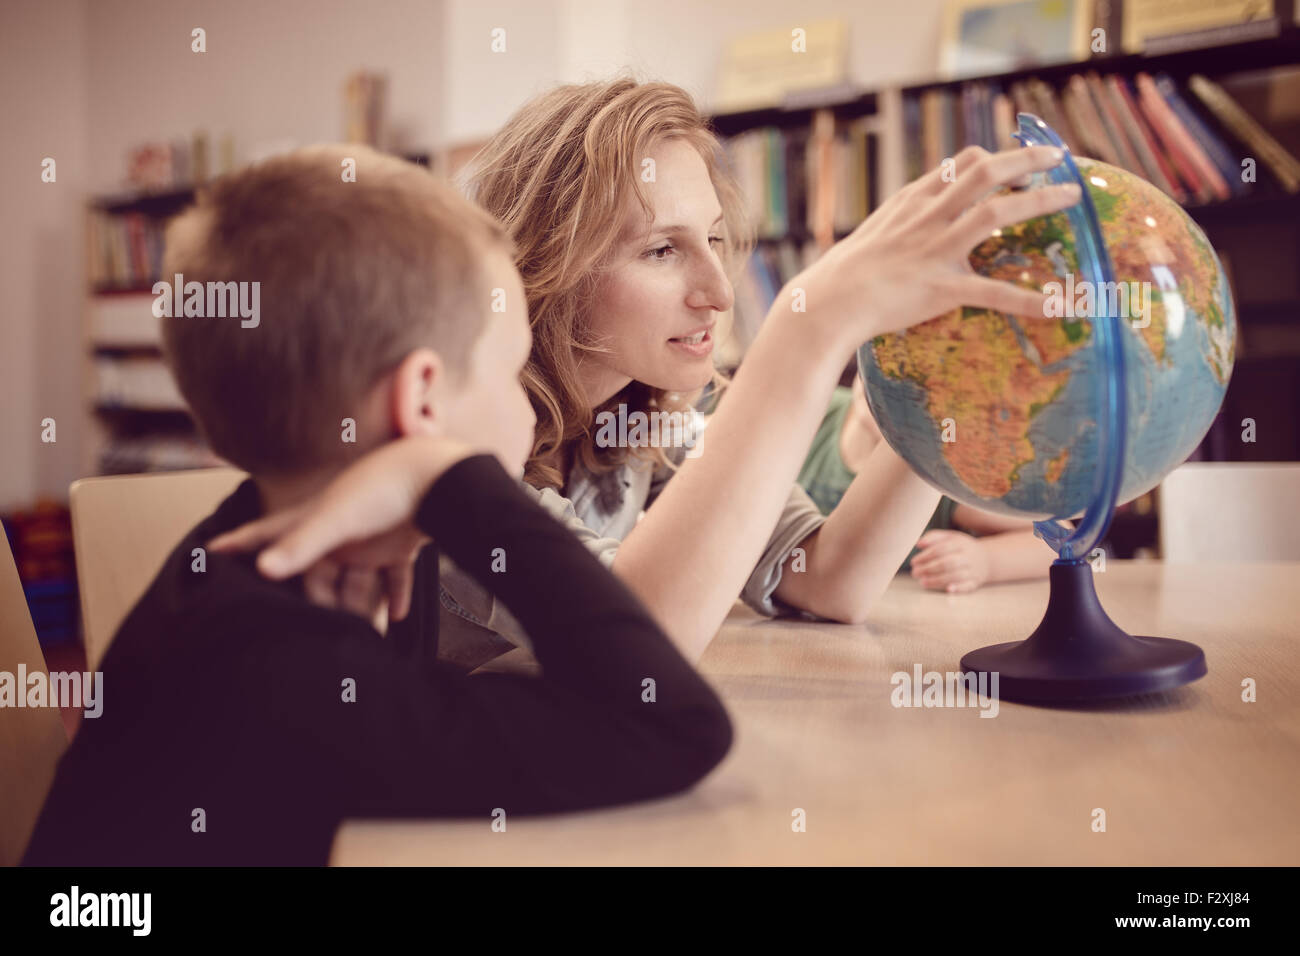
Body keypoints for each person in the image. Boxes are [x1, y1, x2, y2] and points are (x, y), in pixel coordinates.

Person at [22, 145, 732, 866]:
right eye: (509, 371)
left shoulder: (320, 563)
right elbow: (673, 724)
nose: (530, 410)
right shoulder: (277, 665)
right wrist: (452, 480)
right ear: (421, 399)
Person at [412, 77, 1081, 663]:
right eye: (660, 250)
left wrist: (944, 382)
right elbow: (633, 645)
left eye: (712, 238)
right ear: (545, 265)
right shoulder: (455, 447)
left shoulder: (663, 415)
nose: (719, 293)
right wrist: (805, 327)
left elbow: (830, 580)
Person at [798, 373, 1055, 593]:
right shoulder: (809, 416)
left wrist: (985, 561)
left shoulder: (945, 472)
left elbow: (1055, 538)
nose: (889, 382)